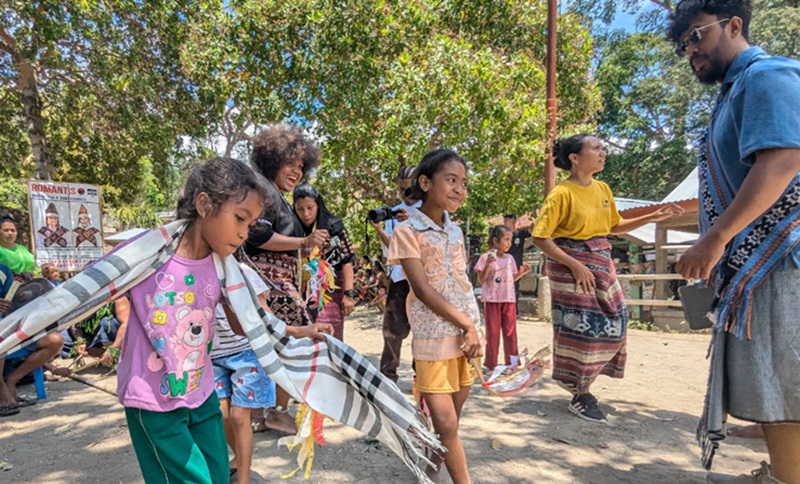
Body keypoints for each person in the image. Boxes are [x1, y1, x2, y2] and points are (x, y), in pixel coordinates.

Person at [668, 1, 800, 482]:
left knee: (786, 386)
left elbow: (783, 161)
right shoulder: (732, 92)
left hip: (782, 258)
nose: (690, 51)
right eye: (683, 45)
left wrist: (717, 237)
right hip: (760, 265)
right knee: (775, 384)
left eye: (697, 36)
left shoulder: (769, 76)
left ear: (734, 25)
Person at [532, 134, 683, 424]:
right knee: (583, 329)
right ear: (575, 158)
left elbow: (613, 225)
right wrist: (575, 265)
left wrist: (653, 215)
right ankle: (581, 392)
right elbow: (541, 238)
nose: (604, 152)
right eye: (597, 148)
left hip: (600, 260)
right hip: (571, 267)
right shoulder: (561, 194)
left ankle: (578, 381)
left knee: (616, 321)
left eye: (603, 148)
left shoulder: (602, 188)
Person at [388, 149, 482, 484]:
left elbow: (462, 282)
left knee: (451, 423)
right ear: (425, 183)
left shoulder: (455, 232)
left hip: (466, 337)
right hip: (433, 337)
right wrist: (467, 323)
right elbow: (423, 289)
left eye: (464, 183)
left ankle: (427, 474)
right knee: (445, 424)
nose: (459, 189)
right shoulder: (407, 230)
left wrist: (473, 328)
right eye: (451, 180)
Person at [245, 124, 329, 431]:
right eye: (289, 163)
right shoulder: (264, 191)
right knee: (293, 341)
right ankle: (275, 412)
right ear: (272, 159)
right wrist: (303, 243)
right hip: (271, 283)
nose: (296, 172)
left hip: (277, 282)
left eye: (300, 166)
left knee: (277, 344)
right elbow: (258, 236)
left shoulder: (274, 193)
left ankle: (267, 412)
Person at [211, 262, 305, 483]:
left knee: (240, 417)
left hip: (247, 352)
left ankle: (244, 478)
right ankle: (238, 460)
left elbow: (265, 312)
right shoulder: (195, 272)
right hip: (212, 355)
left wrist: (293, 333)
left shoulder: (243, 272)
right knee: (219, 414)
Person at [371, 165, 420, 383]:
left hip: (424, 279)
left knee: (423, 329)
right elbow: (392, 251)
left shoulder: (432, 210)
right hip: (400, 277)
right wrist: (380, 230)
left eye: (409, 190)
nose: (405, 195)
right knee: (392, 329)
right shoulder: (394, 213)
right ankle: (387, 377)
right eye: (401, 190)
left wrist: (412, 223)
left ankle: (423, 375)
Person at [293, 183, 356, 340]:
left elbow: (347, 261)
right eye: (300, 209)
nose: (306, 213)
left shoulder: (333, 225)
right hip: (302, 290)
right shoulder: (292, 228)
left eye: (310, 207)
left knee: (329, 335)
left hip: (330, 290)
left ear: (318, 205)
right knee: (306, 336)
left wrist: (348, 295)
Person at [0, 279, 70, 416]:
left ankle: (12, 379)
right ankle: (1, 388)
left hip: (13, 324)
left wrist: (52, 368)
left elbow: (13, 296)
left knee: (55, 340)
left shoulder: (4, 270)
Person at [475, 225, 531, 370]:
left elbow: (511, 278)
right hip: (492, 300)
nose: (509, 243)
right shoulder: (484, 258)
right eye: (506, 239)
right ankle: (491, 364)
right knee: (492, 333)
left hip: (509, 299)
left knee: (510, 332)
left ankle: (512, 364)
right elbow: (481, 280)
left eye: (510, 240)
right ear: (495, 240)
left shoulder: (510, 258)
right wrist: (487, 265)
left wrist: (522, 273)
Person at [503, 214, 532, 311]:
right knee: (502, 286)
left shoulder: (520, 234)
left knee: (514, 288)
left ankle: (513, 311)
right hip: (503, 266)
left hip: (516, 266)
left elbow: (531, 230)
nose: (508, 225)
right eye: (506, 222)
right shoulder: (500, 235)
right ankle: (503, 309)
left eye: (510, 222)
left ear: (514, 222)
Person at [0, 215, 35, 283]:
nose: (10, 233)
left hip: (30, 286)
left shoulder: (22, 248)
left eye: (13, 230)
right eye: (6, 230)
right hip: (7, 288)